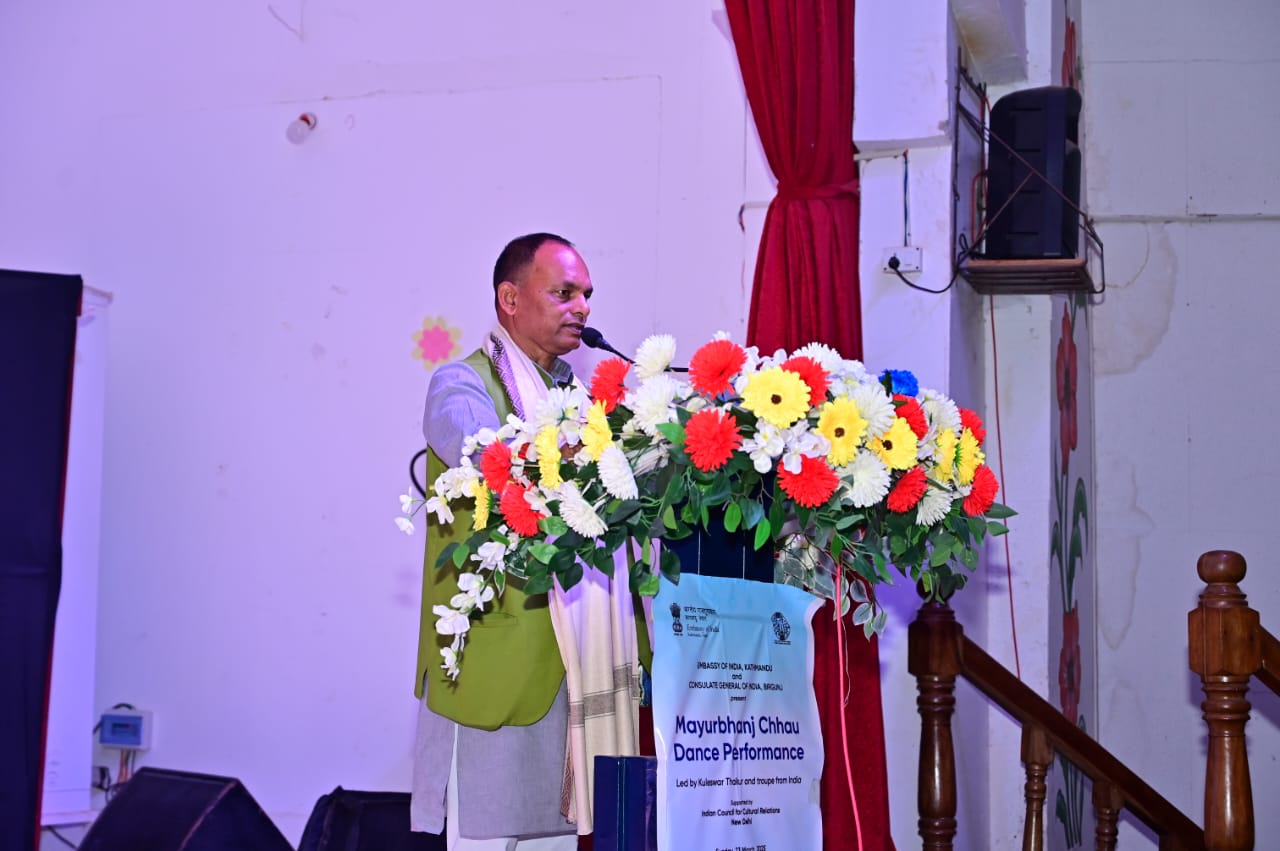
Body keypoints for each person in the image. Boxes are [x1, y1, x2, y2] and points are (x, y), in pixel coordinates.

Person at [411, 233, 593, 851]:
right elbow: (479, 448)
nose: (582, 307)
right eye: (564, 292)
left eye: (587, 295)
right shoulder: (459, 385)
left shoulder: (581, 400)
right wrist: (571, 450)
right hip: (492, 670)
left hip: (572, 675)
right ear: (509, 298)